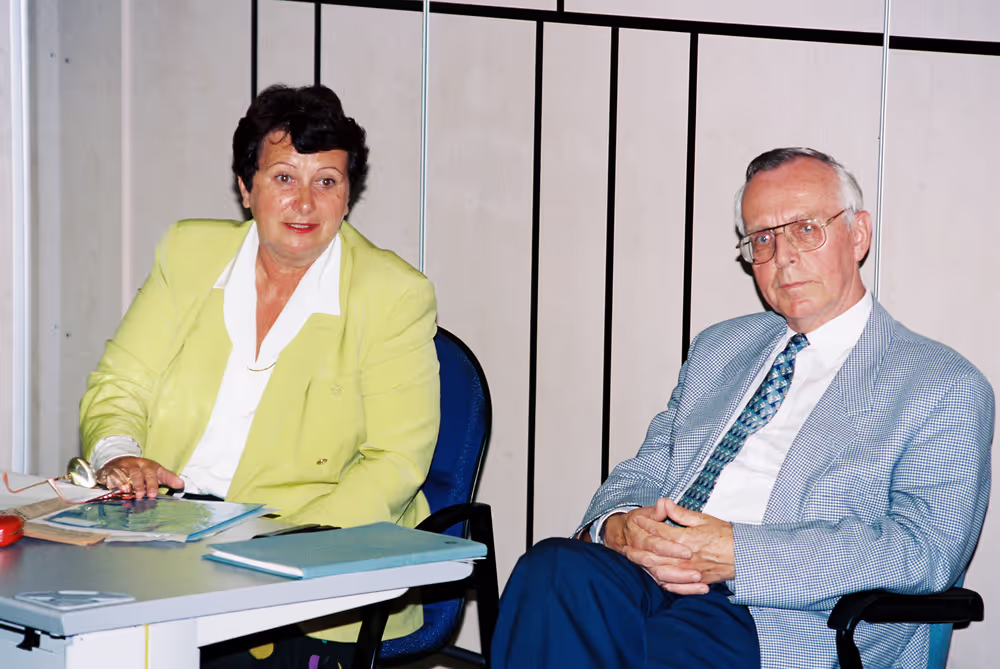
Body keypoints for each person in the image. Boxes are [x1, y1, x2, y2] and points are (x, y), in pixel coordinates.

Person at [491, 148, 994, 669]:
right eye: (763, 239)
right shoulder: (721, 348)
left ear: (858, 234)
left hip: (776, 612)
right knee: (550, 570)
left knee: (629, 649)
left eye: (804, 230)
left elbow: (922, 552)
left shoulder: (941, 385)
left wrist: (738, 554)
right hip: (655, 572)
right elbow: (648, 467)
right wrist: (617, 525)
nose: (782, 256)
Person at [79, 84, 440, 667]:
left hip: (306, 562)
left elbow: (397, 459)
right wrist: (120, 454)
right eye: (283, 178)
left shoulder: (394, 294)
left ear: (348, 196)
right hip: (161, 531)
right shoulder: (188, 252)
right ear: (246, 188)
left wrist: (280, 549)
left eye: (327, 180)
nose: (304, 202)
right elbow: (122, 382)